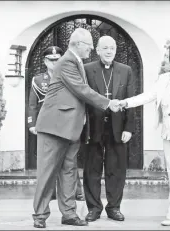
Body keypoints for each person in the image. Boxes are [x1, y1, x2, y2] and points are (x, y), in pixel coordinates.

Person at [31, 28, 121, 229]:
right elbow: (82, 90)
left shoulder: (76, 61)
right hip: (54, 127)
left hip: (71, 128)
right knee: (47, 173)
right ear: (79, 44)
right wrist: (108, 103)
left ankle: (69, 213)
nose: (91, 49)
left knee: (69, 172)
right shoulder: (66, 62)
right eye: (89, 45)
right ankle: (40, 215)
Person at [119, 44, 170, 229]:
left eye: (167, 56)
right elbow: (148, 96)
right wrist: (125, 102)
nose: (164, 60)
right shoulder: (163, 79)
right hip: (168, 134)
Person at [82, 36, 135, 222]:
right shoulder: (87, 69)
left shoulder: (125, 70)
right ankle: (94, 208)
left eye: (112, 48)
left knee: (116, 169)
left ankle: (114, 208)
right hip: (93, 128)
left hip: (117, 128)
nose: (109, 51)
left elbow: (130, 101)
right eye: (105, 48)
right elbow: (83, 99)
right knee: (91, 170)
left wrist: (129, 127)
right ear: (97, 50)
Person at [27, 46, 84, 201]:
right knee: (47, 162)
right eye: (51, 60)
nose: (54, 62)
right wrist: (32, 123)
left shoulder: (70, 76)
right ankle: (49, 192)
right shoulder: (38, 80)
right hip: (47, 125)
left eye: (57, 59)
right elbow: (32, 104)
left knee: (69, 162)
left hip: (67, 123)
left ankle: (77, 192)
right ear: (45, 61)